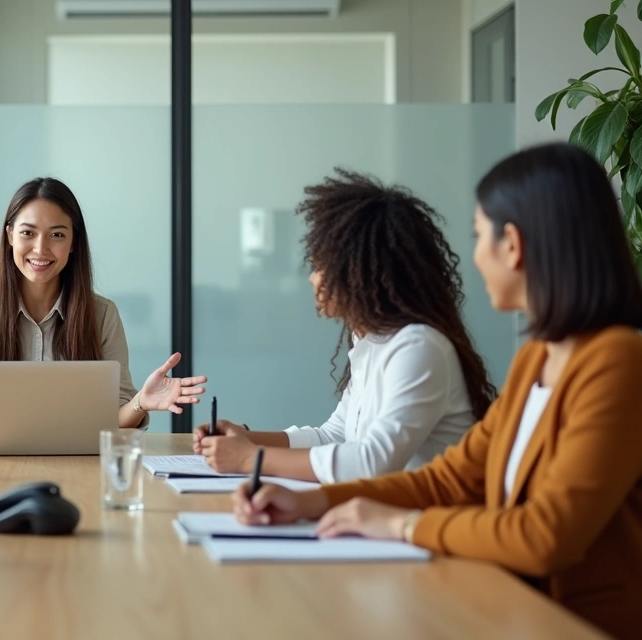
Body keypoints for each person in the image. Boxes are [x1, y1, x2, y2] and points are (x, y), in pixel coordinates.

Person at [232, 143, 642, 639]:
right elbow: (447, 481)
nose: (473, 254)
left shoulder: (617, 361)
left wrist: (399, 525)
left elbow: (545, 535)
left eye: (478, 234)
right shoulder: (539, 359)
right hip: (501, 601)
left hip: (570, 622)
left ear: (512, 244)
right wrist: (313, 503)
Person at [192, 170, 496, 484]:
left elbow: (371, 462)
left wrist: (249, 458)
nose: (312, 278)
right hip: (378, 518)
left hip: (421, 525)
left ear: (358, 274)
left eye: (320, 267)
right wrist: (246, 438)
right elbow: (335, 435)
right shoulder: (371, 341)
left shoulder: (420, 348)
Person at [0, 177, 206, 439]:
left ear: (74, 242)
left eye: (57, 235)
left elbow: (115, 423)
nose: (40, 248)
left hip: (83, 471)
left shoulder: (102, 314)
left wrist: (141, 401)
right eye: (28, 233)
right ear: (9, 235)